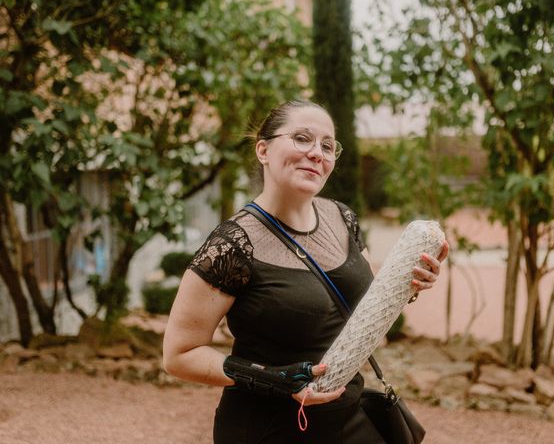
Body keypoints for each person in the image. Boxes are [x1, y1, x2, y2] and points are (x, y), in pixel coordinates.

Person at [163, 100, 449, 443]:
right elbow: (179, 355)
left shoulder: (344, 219)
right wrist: (277, 380)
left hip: (348, 418)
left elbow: (362, 312)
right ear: (263, 150)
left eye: (327, 146)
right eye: (302, 138)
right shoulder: (232, 244)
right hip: (269, 429)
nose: (317, 153)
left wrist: (410, 284)